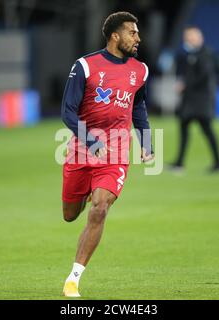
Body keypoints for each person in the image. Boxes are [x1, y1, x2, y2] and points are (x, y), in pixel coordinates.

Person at [60, 11, 154, 297]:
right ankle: (87, 191)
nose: (138, 38)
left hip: (115, 152)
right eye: (132, 32)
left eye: (137, 33)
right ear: (115, 36)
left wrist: (147, 143)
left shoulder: (140, 70)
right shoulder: (85, 66)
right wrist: (90, 142)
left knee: (100, 209)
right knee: (70, 215)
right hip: (81, 151)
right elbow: (67, 111)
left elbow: (138, 109)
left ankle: (73, 279)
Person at [169, 26, 219, 174]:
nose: (187, 40)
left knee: (207, 131)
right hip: (189, 101)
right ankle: (179, 163)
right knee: (185, 130)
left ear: (198, 38)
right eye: (186, 37)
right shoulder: (189, 55)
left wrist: (185, 85)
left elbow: (203, 76)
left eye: (190, 37)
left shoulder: (205, 53)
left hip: (201, 102)